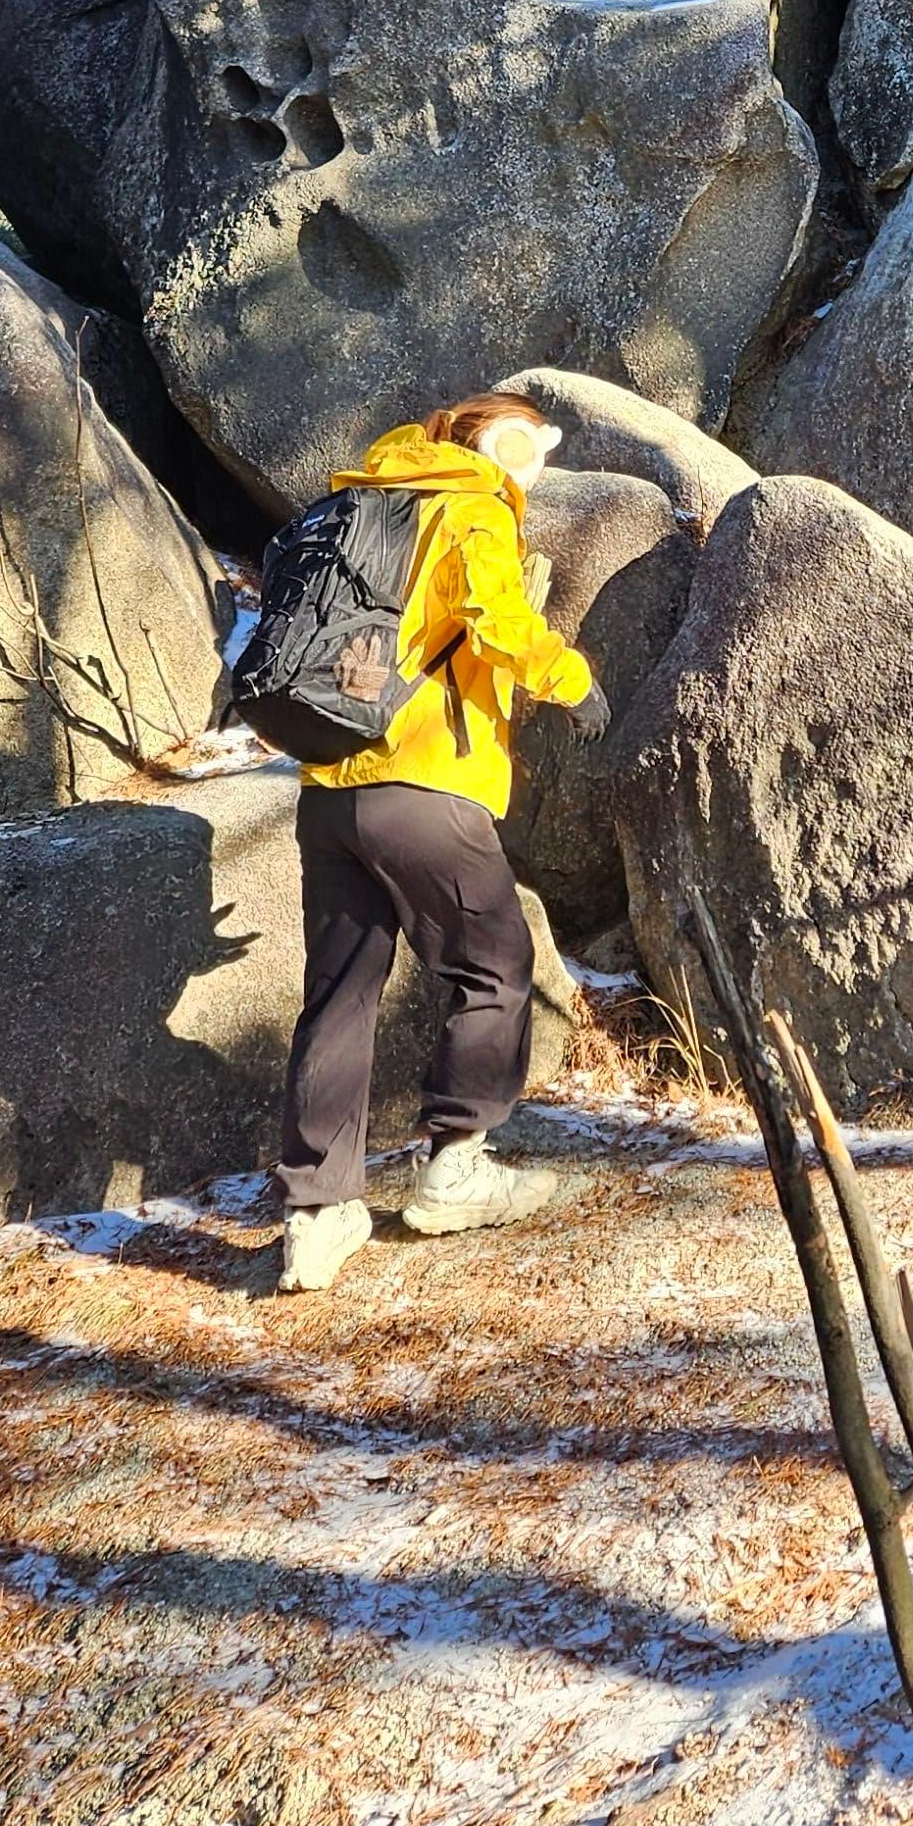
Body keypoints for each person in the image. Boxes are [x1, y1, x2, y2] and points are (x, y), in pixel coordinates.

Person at [269, 393, 599, 1291]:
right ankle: (456, 1166)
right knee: (495, 964)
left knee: (339, 994)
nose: (534, 467)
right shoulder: (470, 505)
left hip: (329, 787)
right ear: (495, 442)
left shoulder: (363, 505)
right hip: (424, 784)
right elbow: (496, 620)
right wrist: (571, 681)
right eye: (528, 446)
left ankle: (318, 1210)